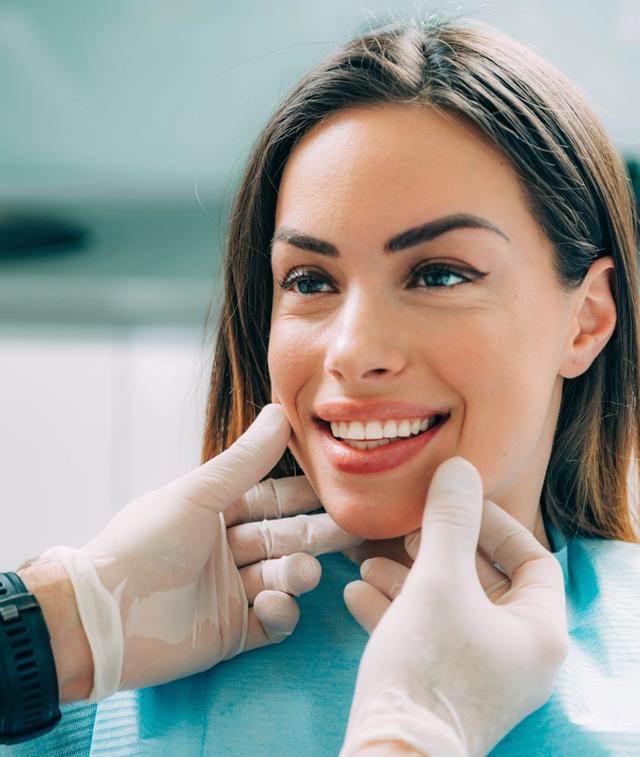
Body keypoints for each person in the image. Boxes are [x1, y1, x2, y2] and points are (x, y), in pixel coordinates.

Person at [3, 11, 639, 755]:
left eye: (438, 273)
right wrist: (55, 625)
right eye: (310, 279)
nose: (352, 349)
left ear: (587, 321)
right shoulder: (86, 689)